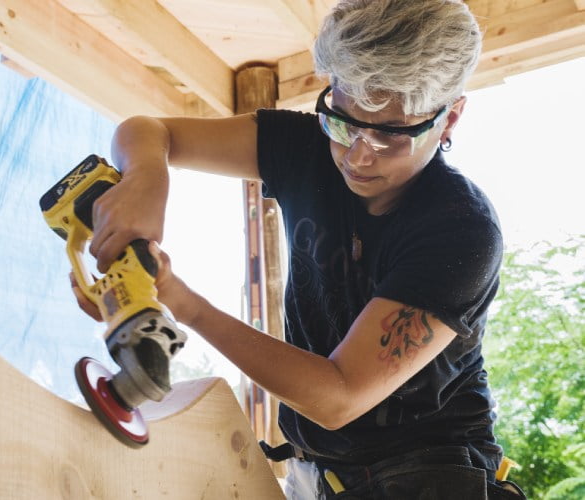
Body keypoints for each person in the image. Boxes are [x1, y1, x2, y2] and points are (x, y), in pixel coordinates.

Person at [71, 0, 525, 498]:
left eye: (391, 135)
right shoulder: (305, 147)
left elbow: (339, 395)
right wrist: (144, 177)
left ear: (450, 117)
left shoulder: (461, 231)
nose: (356, 154)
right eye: (343, 120)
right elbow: (149, 131)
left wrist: (182, 303)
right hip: (317, 470)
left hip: (429, 477)